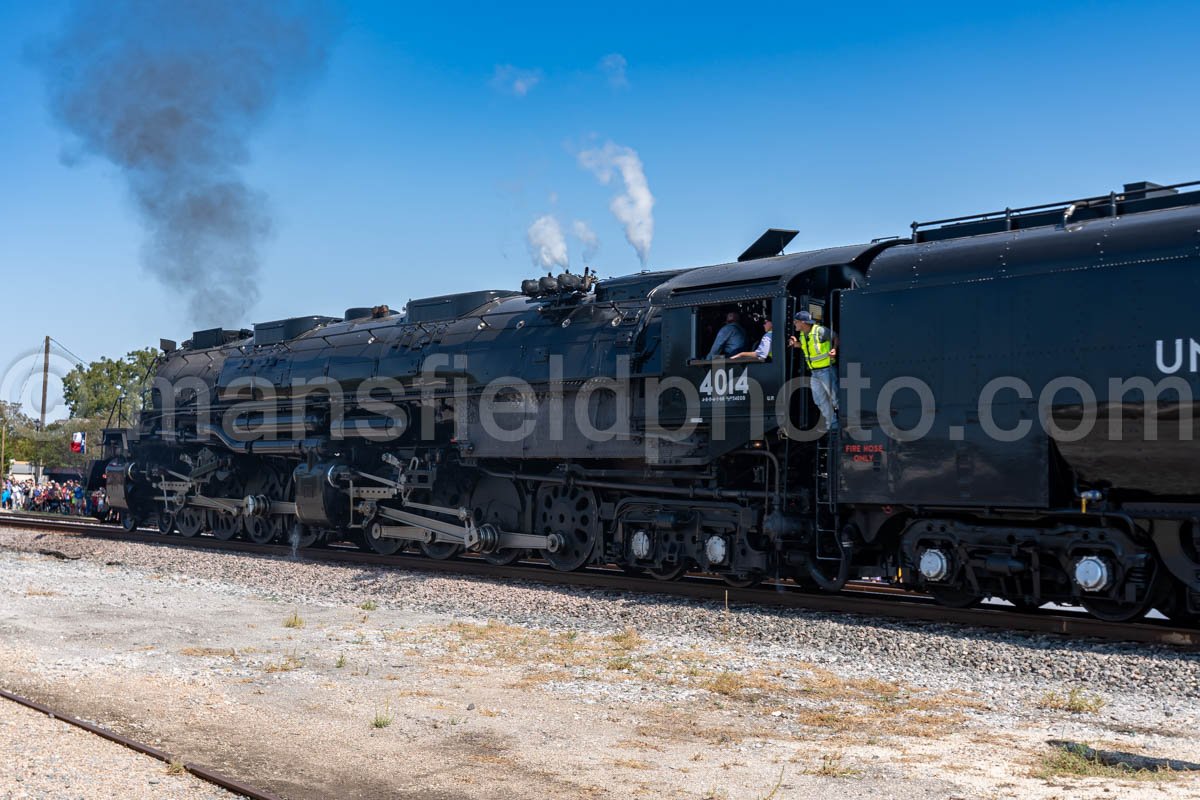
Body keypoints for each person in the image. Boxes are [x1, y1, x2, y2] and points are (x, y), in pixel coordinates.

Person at [790, 310, 839, 431]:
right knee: (818, 399)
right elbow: (807, 346)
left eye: (795, 322)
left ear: (803, 322)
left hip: (826, 370)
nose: (794, 324)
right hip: (815, 373)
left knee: (835, 398)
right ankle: (832, 424)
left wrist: (834, 349)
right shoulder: (803, 334)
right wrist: (796, 344)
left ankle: (845, 424)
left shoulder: (820, 331)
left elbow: (836, 337)